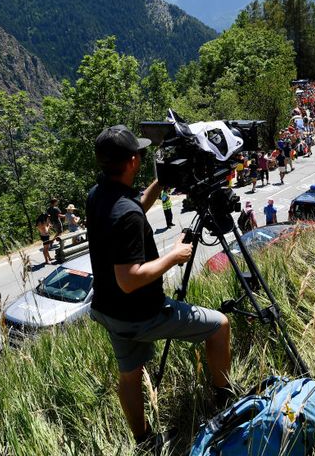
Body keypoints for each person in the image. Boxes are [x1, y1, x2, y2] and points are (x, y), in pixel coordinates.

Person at [86, 125, 231, 452]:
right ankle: (224, 406)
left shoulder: (99, 196)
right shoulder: (127, 216)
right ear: (134, 160)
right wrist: (174, 256)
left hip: (110, 311)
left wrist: (161, 182)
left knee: (131, 376)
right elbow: (130, 277)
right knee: (220, 326)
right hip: (143, 314)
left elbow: (133, 206)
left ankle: (144, 441)